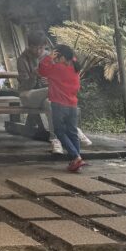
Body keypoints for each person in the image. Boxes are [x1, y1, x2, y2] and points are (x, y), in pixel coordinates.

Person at [18, 30, 92, 154]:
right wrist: (34, 76)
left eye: (41, 48)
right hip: (28, 95)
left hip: (49, 96)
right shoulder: (22, 59)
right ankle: (74, 129)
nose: (39, 51)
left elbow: (60, 74)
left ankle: (55, 140)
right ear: (29, 46)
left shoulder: (51, 56)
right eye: (35, 48)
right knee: (53, 91)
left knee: (50, 103)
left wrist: (50, 80)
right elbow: (25, 85)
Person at [39, 43, 86, 172]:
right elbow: (71, 58)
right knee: (72, 133)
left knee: (59, 132)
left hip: (59, 105)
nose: (56, 60)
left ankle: (76, 157)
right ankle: (76, 161)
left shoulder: (58, 68)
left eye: (58, 57)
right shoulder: (75, 68)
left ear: (63, 58)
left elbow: (42, 71)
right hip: (72, 105)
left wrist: (49, 57)